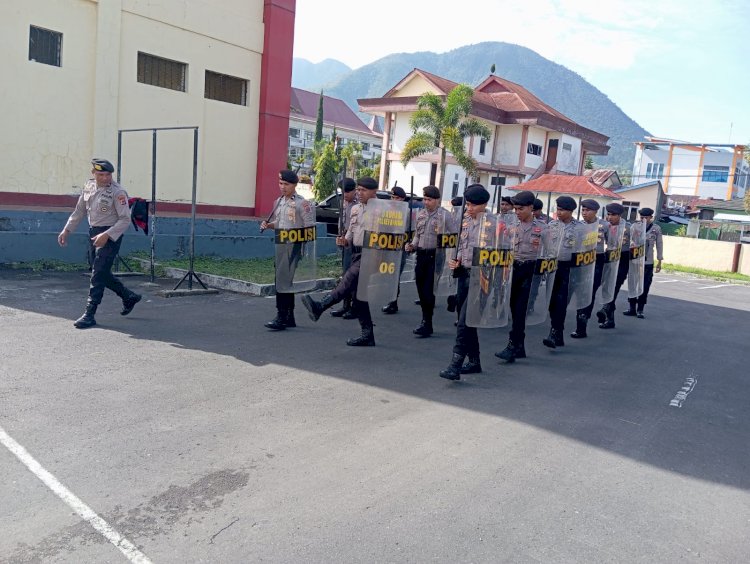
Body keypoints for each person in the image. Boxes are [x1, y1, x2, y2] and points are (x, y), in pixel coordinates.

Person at [57, 158, 141, 329]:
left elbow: (125, 220)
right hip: (94, 232)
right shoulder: (89, 186)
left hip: (111, 234)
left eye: (108, 174)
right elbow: (79, 210)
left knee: (97, 274)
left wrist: (107, 234)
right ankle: (128, 296)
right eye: (101, 174)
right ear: (93, 173)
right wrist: (67, 230)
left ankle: (90, 314)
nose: (105, 178)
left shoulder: (118, 192)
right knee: (99, 271)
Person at [301, 177, 380, 346]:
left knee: (348, 279)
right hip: (356, 253)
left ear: (374, 192)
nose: (359, 193)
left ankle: (321, 306)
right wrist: (344, 240)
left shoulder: (382, 211)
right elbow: (351, 231)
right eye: (358, 189)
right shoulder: (356, 209)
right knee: (359, 298)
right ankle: (368, 335)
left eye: (363, 190)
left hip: (372, 255)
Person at [439, 184, 490, 380]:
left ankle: (456, 364)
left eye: (473, 205)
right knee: (467, 319)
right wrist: (456, 259)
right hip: (464, 274)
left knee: (463, 323)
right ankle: (474, 361)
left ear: (483, 204)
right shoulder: (465, 220)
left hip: (482, 278)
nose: (469, 208)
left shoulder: (493, 224)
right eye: (467, 204)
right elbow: (461, 244)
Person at [495, 191, 547, 362]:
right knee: (513, 307)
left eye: (521, 209)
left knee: (520, 309)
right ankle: (519, 346)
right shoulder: (510, 226)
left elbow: (549, 252)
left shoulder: (543, 229)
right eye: (515, 209)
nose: (517, 212)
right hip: (513, 268)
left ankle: (512, 345)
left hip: (530, 270)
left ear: (531, 208)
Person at [262, 170, 315, 331]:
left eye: (286, 184)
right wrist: (268, 225)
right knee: (284, 280)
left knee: (282, 280)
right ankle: (289, 316)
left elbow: (309, 227)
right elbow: (280, 222)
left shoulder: (302, 203)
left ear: (294, 185)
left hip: (294, 245)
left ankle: (281, 315)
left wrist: (302, 248)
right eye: (280, 183)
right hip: (281, 244)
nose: (282, 187)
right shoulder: (278, 202)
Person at [405, 185, 449, 337]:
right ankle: (425, 318)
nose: (426, 202)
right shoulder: (421, 214)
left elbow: (454, 236)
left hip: (435, 256)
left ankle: (427, 322)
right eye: (424, 199)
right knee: (420, 288)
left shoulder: (445, 215)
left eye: (429, 199)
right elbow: (418, 234)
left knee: (428, 290)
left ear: (437, 200)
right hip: (421, 255)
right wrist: (412, 245)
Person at [542, 196, 579, 348]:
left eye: (563, 210)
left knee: (561, 302)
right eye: (558, 209)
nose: (559, 212)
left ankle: (554, 332)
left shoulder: (579, 227)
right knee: (551, 302)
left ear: (570, 211)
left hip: (569, 268)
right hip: (552, 267)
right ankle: (558, 332)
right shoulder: (552, 225)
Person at [570, 199, 609, 338]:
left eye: (588, 210)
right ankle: (580, 325)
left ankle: (583, 322)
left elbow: (612, 245)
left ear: (595, 211)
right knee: (580, 292)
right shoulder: (578, 226)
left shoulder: (604, 225)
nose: (585, 213)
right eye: (583, 210)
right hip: (580, 260)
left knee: (589, 292)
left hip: (597, 261)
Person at [624, 207, 663, 318]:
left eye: (646, 217)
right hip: (635, 261)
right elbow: (628, 241)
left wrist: (659, 260)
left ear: (651, 217)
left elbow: (659, 244)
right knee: (632, 284)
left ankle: (640, 309)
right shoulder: (634, 226)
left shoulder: (656, 229)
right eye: (642, 217)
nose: (643, 219)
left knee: (645, 286)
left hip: (648, 262)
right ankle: (632, 308)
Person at [597, 202, 630, 329]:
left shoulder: (628, 227)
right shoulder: (605, 226)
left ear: (620, 215)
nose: (610, 217)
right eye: (608, 214)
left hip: (623, 259)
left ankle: (606, 308)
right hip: (609, 257)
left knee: (614, 287)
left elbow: (636, 246)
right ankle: (610, 319)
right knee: (608, 287)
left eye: (613, 215)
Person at [330, 177, 358, 319]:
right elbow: (341, 221)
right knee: (345, 274)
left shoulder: (360, 204)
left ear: (355, 190)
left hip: (356, 242)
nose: (345, 194)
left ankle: (355, 307)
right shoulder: (343, 202)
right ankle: (346, 305)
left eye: (348, 191)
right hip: (345, 240)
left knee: (353, 276)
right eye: (343, 191)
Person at [382, 185, 409, 314]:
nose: (393, 200)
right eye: (392, 197)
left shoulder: (407, 212)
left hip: (400, 248)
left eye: (396, 197)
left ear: (402, 199)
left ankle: (393, 302)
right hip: (388, 247)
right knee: (389, 275)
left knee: (395, 275)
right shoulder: (388, 211)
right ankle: (392, 300)